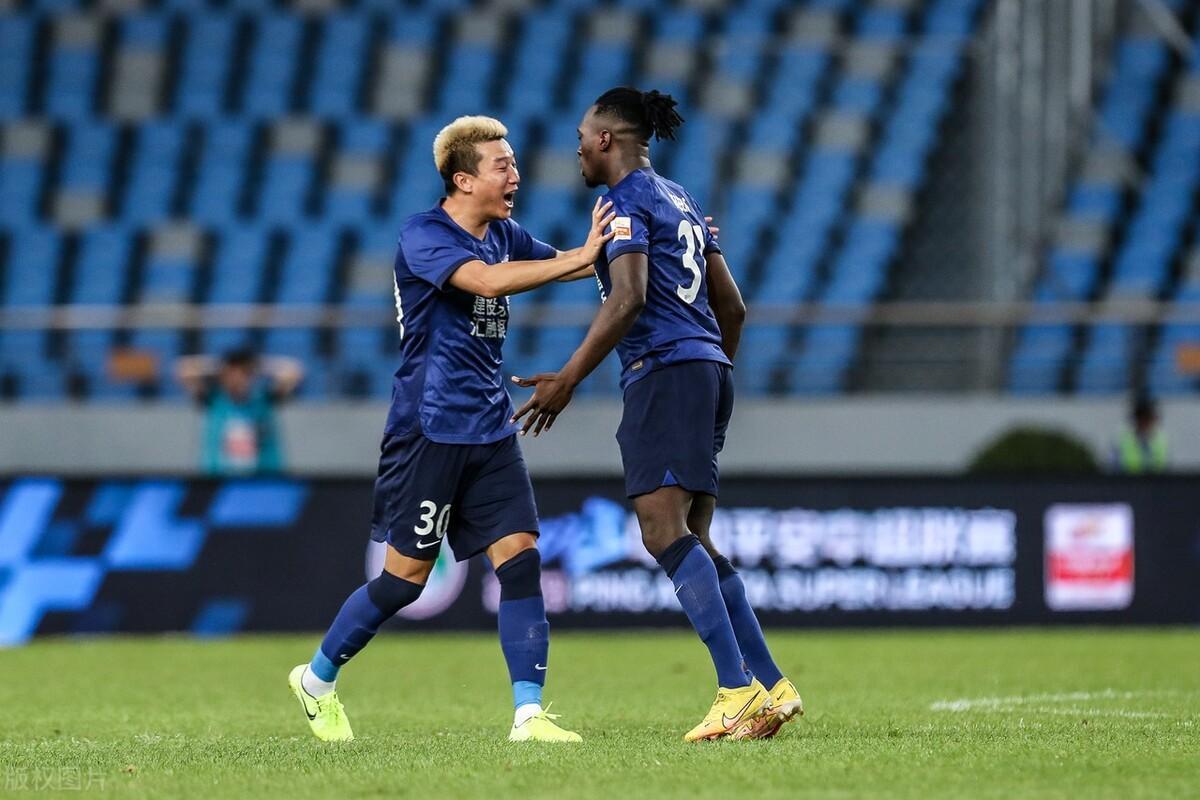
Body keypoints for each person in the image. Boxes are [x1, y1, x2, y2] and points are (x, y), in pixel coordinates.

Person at [287, 115, 616, 744]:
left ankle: (528, 715)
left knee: (520, 557)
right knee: (402, 582)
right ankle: (316, 680)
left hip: (490, 428)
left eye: (514, 164)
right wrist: (581, 256)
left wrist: (633, 243)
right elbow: (487, 281)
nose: (515, 175)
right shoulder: (424, 235)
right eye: (503, 165)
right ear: (464, 180)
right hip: (429, 429)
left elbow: (571, 266)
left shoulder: (504, 233)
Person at [511, 88, 804, 742]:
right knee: (694, 536)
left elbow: (628, 297)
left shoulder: (626, 202)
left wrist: (567, 378)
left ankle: (735, 692)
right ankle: (771, 685)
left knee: (662, 532)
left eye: (582, 138)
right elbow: (733, 308)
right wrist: (710, 371)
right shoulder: (681, 198)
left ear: (606, 139)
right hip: (707, 370)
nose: (577, 150)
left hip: (665, 373)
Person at [176, 348, 303, 475]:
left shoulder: (265, 399)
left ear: (251, 376)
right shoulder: (213, 400)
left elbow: (293, 372)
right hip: (218, 478)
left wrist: (257, 365)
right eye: (230, 374)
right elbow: (185, 369)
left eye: (242, 373)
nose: (235, 379)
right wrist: (219, 364)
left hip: (262, 478)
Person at [1112, 394, 1168, 474]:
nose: (1145, 423)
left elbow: (1166, 470)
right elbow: (1114, 469)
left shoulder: (1162, 441)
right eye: (1142, 418)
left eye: (1148, 418)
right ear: (1136, 419)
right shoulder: (1121, 441)